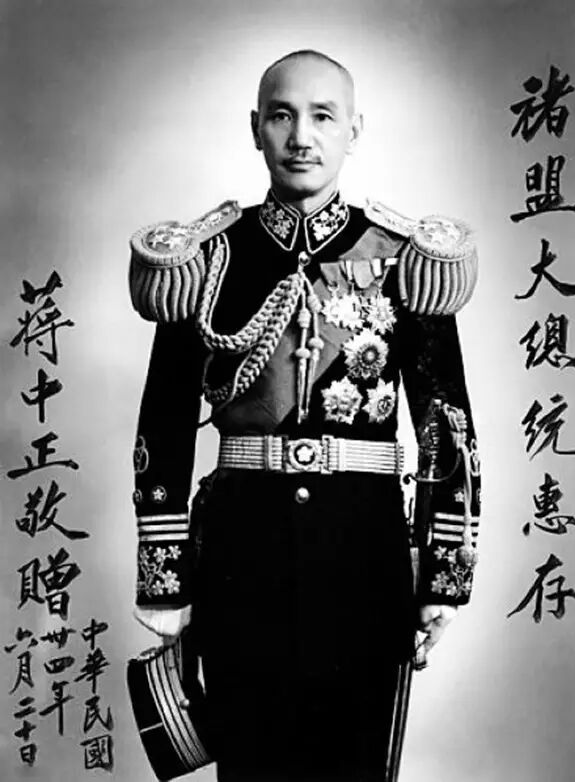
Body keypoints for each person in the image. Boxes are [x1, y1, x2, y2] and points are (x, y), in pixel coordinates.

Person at [128, 49, 481, 782]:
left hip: (366, 555)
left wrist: (442, 576)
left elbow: (446, 426)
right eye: (282, 116)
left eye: (323, 116)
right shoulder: (206, 258)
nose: (301, 137)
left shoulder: (405, 258)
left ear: (355, 130)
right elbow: (163, 421)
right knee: (252, 766)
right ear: (255, 127)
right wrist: (165, 582)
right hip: (240, 553)